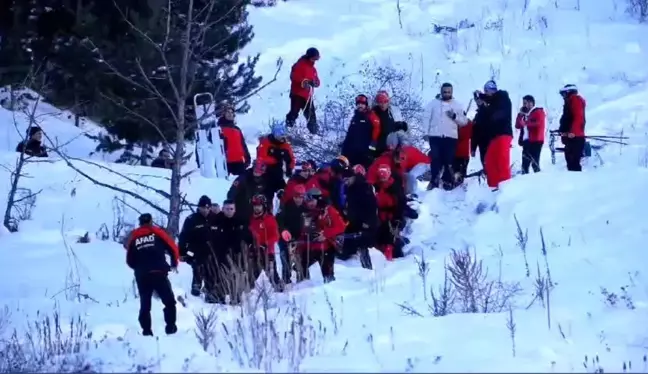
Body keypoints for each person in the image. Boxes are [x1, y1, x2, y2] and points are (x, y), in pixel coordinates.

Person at [124, 213, 179, 336]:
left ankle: (147, 331)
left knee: (145, 304)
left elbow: (129, 259)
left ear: (140, 223)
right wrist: (174, 263)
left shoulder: (134, 236)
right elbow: (172, 247)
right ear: (151, 221)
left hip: (142, 274)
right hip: (158, 272)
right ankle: (171, 328)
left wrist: (139, 269)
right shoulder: (157, 232)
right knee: (169, 301)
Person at [287, 188, 345, 283]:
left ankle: (330, 290)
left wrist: (325, 234)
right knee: (300, 266)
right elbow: (304, 231)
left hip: (326, 248)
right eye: (308, 201)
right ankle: (303, 286)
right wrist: (297, 247)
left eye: (312, 200)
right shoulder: (307, 212)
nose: (310, 203)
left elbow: (341, 226)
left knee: (327, 274)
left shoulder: (329, 210)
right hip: (310, 247)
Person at [423, 83, 469, 190]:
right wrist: (426, 132)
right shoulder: (433, 104)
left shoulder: (457, 105)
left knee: (449, 160)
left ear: (452, 92)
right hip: (435, 136)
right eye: (444, 92)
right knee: (435, 159)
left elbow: (464, 122)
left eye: (449, 92)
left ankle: (447, 181)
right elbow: (426, 118)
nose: (446, 94)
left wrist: (454, 116)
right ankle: (434, 181)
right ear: (441, 91)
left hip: (450, 137)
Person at [472, 80, 513, 190]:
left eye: (487, 91)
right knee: (490, 161)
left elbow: (494, 112)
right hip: (494, 136)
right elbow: (482, 122)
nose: (486, 94)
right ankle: (493, 187)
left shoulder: (502, 97)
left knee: (502, 161)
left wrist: (482, 99)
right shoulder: (492, 103)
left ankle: (506, 189)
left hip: (503, 133)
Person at [178, 195, 219, 297]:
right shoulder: (191, 219)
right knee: (197, 265)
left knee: (211, 269)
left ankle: (210, 289)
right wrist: (182, 252)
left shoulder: (216, 218)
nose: (205, 210)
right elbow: (183, 236)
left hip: (212, 252)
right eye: (203, 208)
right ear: (199, 207)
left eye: (207, 208)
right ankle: (196, 287)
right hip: (194, 251)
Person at [210, 199, 250, 304]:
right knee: (221, 275)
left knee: (237, 275)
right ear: (223, 209)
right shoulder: (216, 220)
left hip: (237, 254)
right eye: (227, 209)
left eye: (231, 209)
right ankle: (220, 295)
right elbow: (212, 237)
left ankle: (236, 295)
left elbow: (247, 236)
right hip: (220, 253)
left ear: (235, 210)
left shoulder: (240, 220)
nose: (229, 211)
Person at [366, 131, 429, 195]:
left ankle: (409, 194)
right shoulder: (389, 156)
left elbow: (400, 171)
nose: (390, 147)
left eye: (392, 145)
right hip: (374, 183)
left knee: (409, 178)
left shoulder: (402, 153)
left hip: (424, 163)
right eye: (388, 145)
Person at [339, 165, 377, 269]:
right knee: (348, 248)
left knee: (363, 245)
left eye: (347, 179)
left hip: (365, 223)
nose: (345, 182)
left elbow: (372, 206)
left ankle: (368, 269)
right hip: (354, 222)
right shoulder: (351, 188)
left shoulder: (364, 187)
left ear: (353, 177)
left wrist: (368, 222)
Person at [374, 165, 410, 260]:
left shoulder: (395, 188)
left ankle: (395, 256)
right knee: (379, 236)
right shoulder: (377, 187)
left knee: (391, 238)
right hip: (380, 216)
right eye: (381, 179)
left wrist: (397, 218)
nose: (383, 181)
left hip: (393, 217)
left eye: (384, 179)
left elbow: (401, 204)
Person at [247, 194, 281, 290]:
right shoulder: (251, 219)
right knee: (252, 275)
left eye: (259, 206)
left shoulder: (270, 219)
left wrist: (266, 243)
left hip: (267, 252)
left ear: (263, 206)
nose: (256, 208)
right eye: (255, 206)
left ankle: (280, 291)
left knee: (272, 275)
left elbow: (276, 236)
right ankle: (249, 293)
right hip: (254, 252)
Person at [276, 184, 307, 286]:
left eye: (301, 197)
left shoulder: (305, 207)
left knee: (302, 259)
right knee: (285, 259)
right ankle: (286, 280)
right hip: (285, 237)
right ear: (293, 196)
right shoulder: (285, 206)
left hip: (299, 237)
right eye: (297, 197)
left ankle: (303, 279)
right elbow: (279, 221)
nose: (299, 200)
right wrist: (283, 230)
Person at [341, 94, 381, 168]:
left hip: (366, 152)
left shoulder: (370, 115)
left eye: (362, 104)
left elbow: (377, 128)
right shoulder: (354, 118)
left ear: (366, 105)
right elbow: (349, 134)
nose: (360, 106)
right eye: (358, 104)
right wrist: (344, 149)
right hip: (353, 153)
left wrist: (372, 146)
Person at [286, 47, 320, 134]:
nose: (315, 60)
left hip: (308, 96)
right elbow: (294, 76)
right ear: (309, 57)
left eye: (316, 58)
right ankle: (287, 130)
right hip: (297, 94)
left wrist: (315, 83)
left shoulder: (313, 69)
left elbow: (317, 80)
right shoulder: (299, 65)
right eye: (314, 58)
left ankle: (314, 134)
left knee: (311, 116)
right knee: (294, 113)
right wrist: (304, 81)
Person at [256, 122, 296, 197]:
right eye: (279, 134)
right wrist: (275, 159)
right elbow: (260, 158)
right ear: (274, 134)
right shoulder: (266, 142)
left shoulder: (285, 145)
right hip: (265, 175)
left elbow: (291, 159)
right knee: (267, 196)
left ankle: (283, 205)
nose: (281, 137)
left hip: (278, 174)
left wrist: (290, 168)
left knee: (285, 195)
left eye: (283, 134)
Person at [558, 84, 586, 171]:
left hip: (575, 137)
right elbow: (567, 118)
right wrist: (562, 130)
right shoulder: (569, 101)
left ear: (568, 92)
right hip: (570, 137)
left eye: (564, 94)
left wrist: (573, 132)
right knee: (570, 163)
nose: (563, 96)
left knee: (574, 163)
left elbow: (578, 117)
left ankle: (577, 181)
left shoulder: (575, 99)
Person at [515, 95, 546, 174]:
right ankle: (524, 180)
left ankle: (538, 178)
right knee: (525, 163)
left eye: (527, 103)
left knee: (534, 162)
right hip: (526, 141)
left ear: (532, 103)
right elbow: (517, 126)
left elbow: (538, 123)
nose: (525, 105)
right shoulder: (525, 114)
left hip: (536, 140)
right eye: (524, 103)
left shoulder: (538, 112)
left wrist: (525, 123)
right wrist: (520, 115)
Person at [218, 103, 251, 176]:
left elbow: (243, 144)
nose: (230, 114)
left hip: (239, 161)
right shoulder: (219, 129)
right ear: (224, 114)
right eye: (228, 112)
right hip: (225, 163)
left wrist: (247, 157)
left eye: (231, 112)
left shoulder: (237, 129)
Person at [371, 91, 408, 156]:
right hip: (377, 146)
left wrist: (401, 125)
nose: (382, 104)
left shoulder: (391, 112)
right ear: (377, 102)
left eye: (385, 102)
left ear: (388, 102)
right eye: (380, 102)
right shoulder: (374, 113)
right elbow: (383, 128)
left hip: (390, 145)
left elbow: (395, 129)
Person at [453, 115, 473, 184]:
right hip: (457, 155)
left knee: (460, 175)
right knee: (458, 174)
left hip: (462, 154)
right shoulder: (455, 126)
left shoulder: (467, 125)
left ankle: (461, 187)